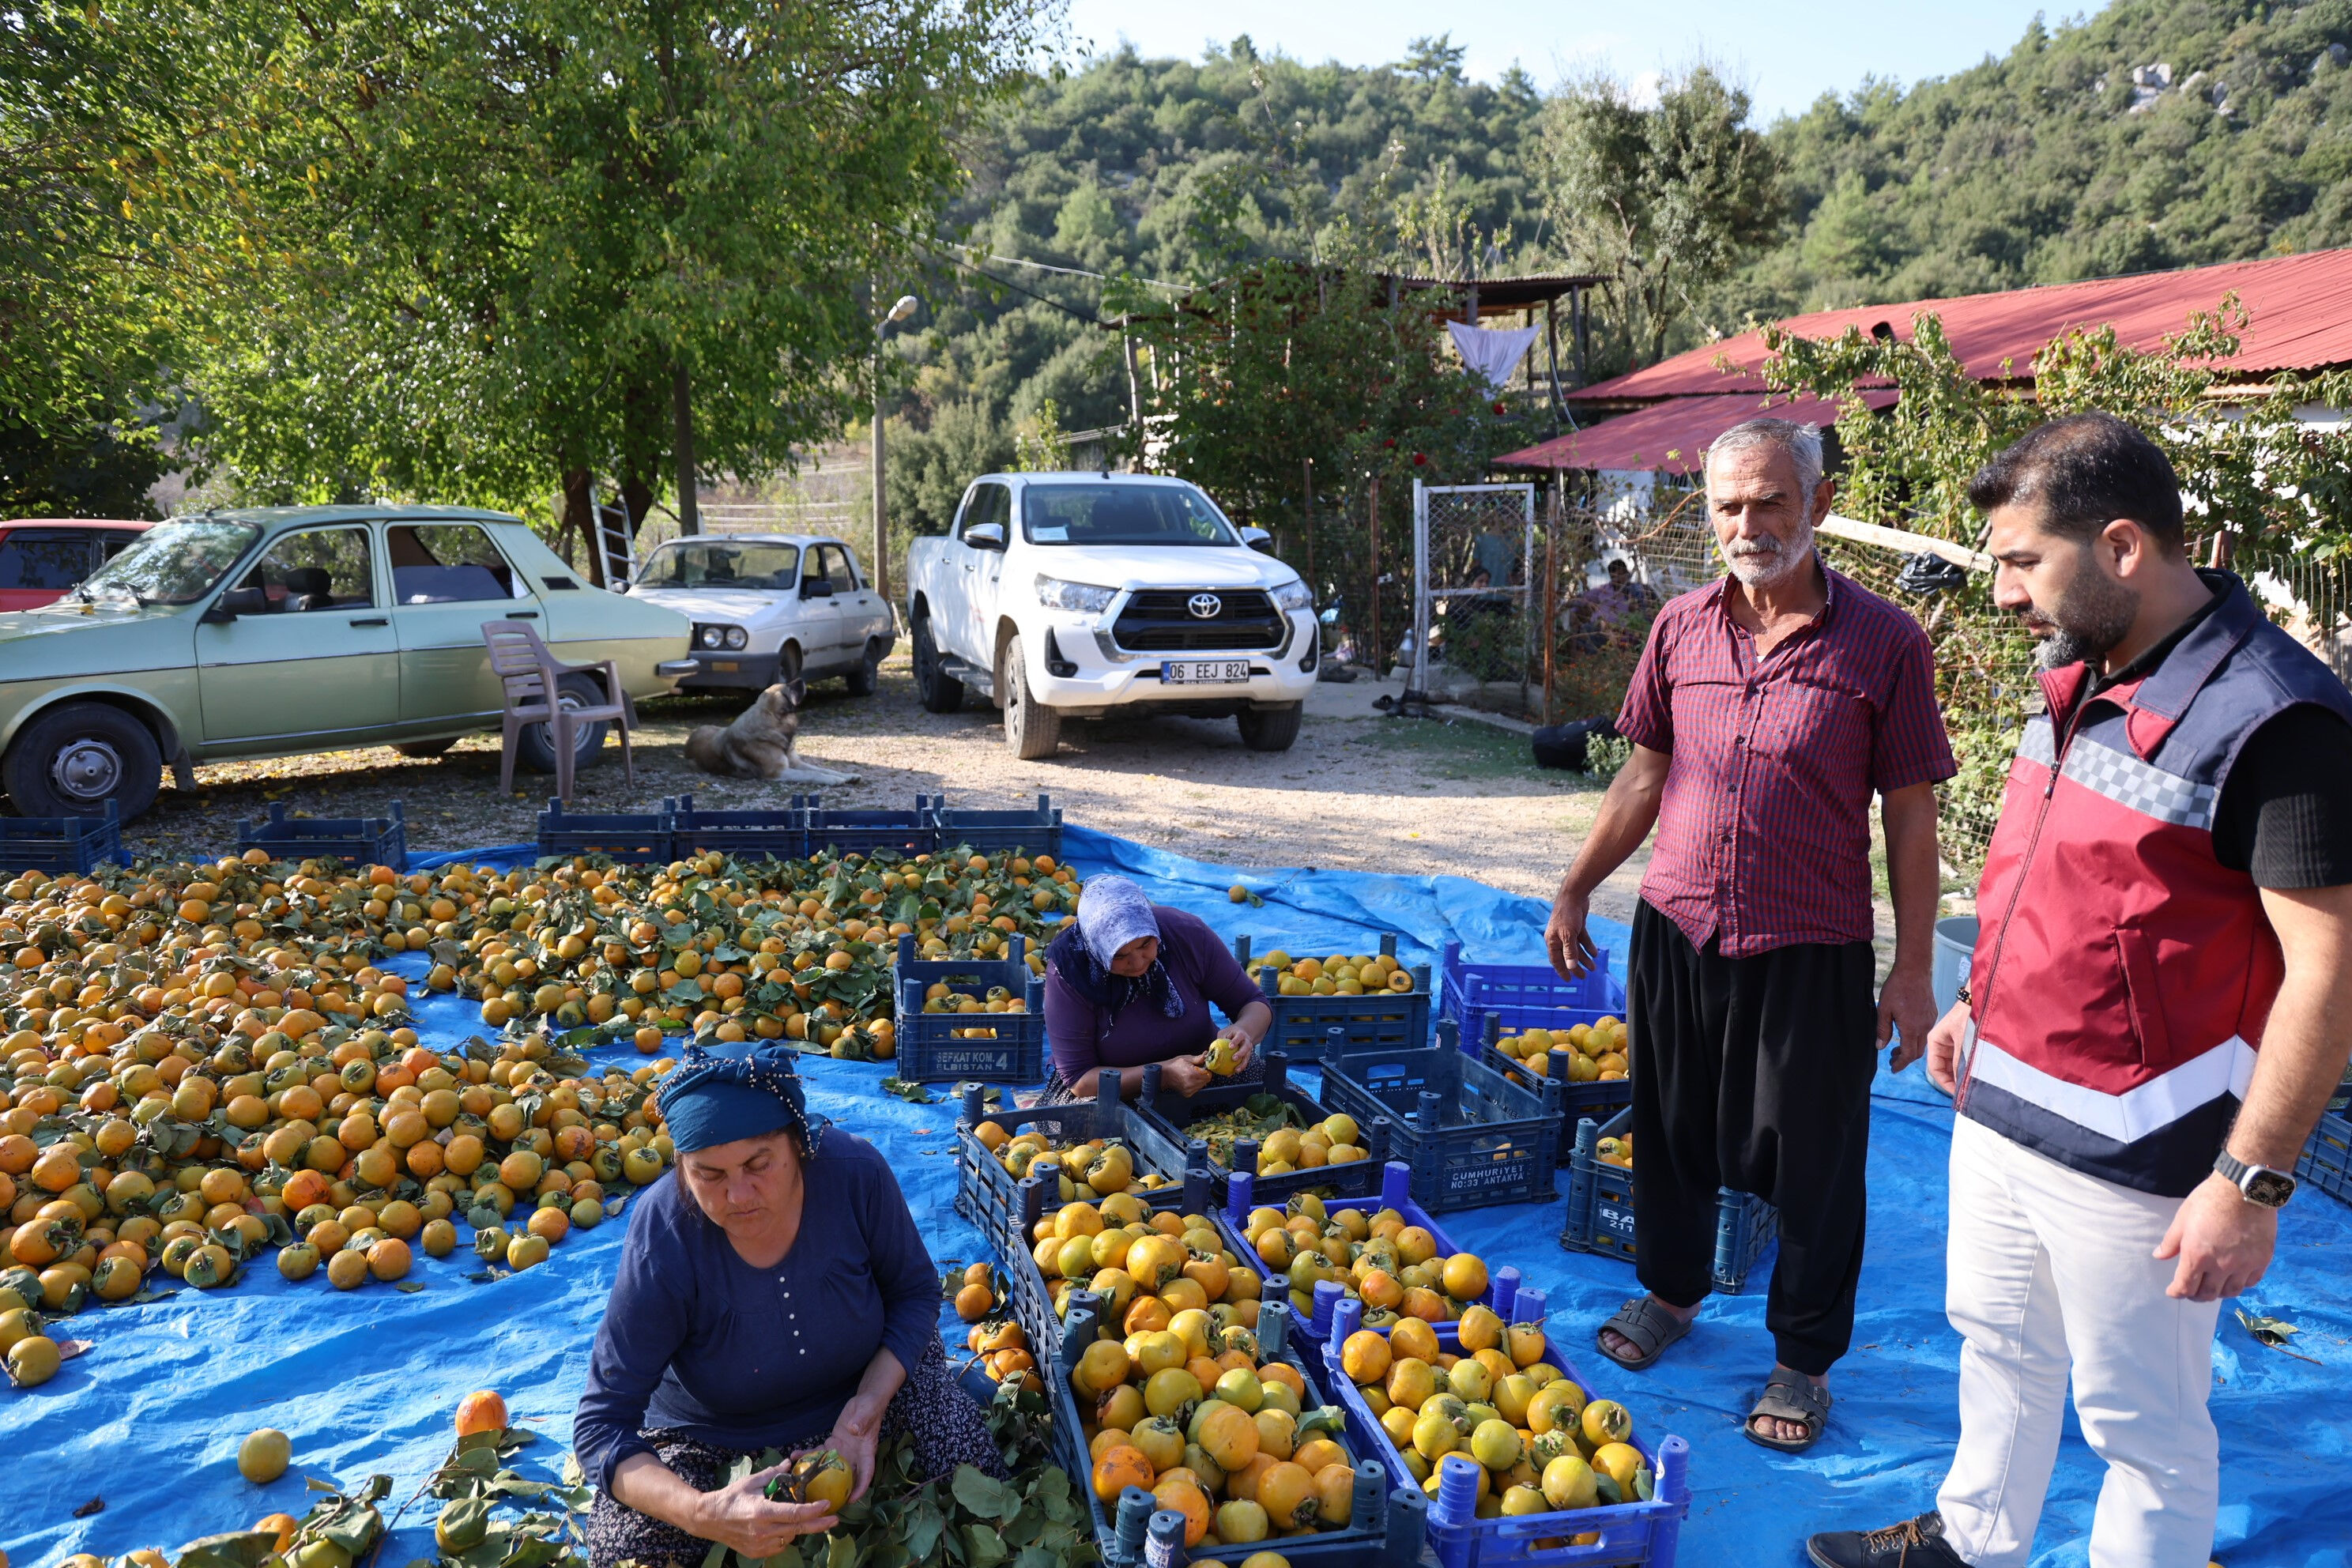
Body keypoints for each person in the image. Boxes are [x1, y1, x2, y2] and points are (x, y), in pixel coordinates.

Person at [1806, 414, 2352, 1568]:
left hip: (2142, 1158)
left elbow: (2330, 974)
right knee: (1996, 1342)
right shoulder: (2079, 672)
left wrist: (2247, 1184)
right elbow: (2052, 880)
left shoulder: (2279, 720)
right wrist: (1971, 1003)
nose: (2004, 593)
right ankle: (1973, 1535)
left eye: (2020, 562)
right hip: (2001, 1109)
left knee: (2141, 1429)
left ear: (2117, 548)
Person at [1544, 416, 1954, 1452]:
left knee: (1815, 1160)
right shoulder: (1680, 628)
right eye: (1729, 504)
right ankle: (1672, 1297)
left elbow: (1911, 815)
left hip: (1808, 944)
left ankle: (1802, 1362)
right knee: (1672, 1132)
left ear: (1817, 504)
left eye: (1771, 501)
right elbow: (1643, 774)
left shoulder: (1886, 643)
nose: (1748, 523)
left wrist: (1911, 970)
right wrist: (1577, 887)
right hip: (1678, 926)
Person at [575, 1044, 1007, 1566]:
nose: (738, 1194)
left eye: (759, 1164)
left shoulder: (854, 1175)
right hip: (710, 1437)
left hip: (862, 1400)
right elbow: (601, 1425)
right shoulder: (665, 1232)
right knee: (630, 1548)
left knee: (977, 1478)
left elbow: (914, 1294)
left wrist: (863, 1415)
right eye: (709, 1175)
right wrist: (703, 1512)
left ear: (798, 1144)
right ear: (682, 1166)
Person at [1040, 873, 1273, 1104]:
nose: (1139, 963)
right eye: (1120, 956)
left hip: (1202, 1072)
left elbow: (1253, 1003)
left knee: (1271, 1102)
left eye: (1145, 945)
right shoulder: (1069, 972)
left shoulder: (1186, 934)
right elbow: (1080, 1079)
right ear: (1097, 949)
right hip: (1114, 1090)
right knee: (1101, 1135)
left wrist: (1244, 1032)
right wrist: (1163, 1075)